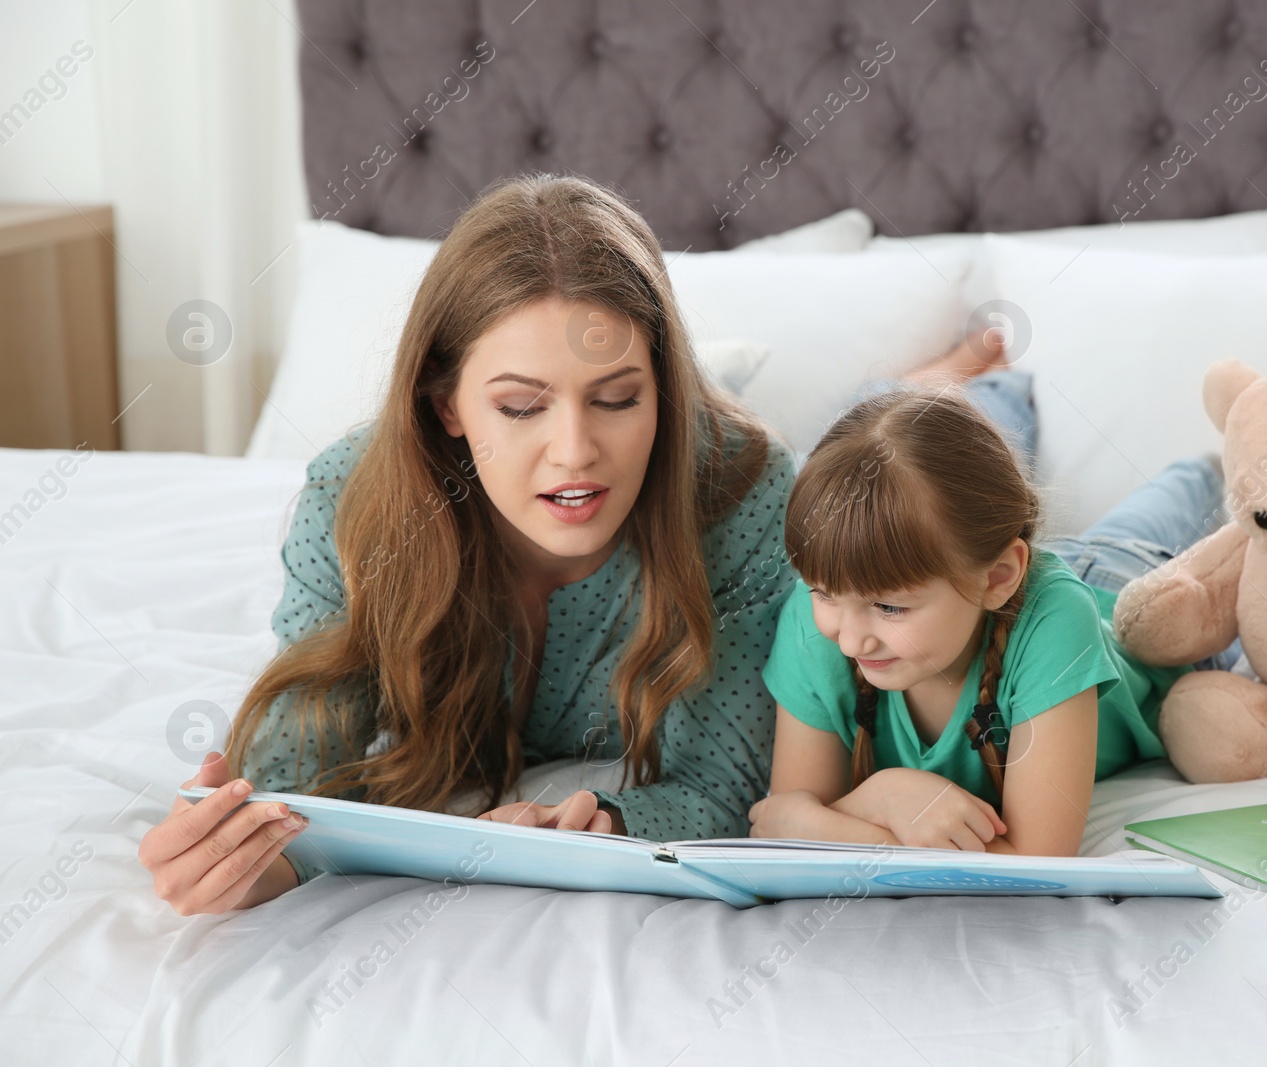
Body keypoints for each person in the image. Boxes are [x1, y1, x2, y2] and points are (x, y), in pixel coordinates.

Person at [139, 174, 803, 915]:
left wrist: (605, 825)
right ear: (445, 403)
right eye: (521, 406)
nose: (575, 451)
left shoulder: (745, 490)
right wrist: (252, 854)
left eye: (618, 398)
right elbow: (295, 772)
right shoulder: (350, 499)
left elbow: (726, 784)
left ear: (664, 391)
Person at [750, 385, 1236, 856]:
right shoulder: (813, 619)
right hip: (1011, 570)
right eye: (824, 593)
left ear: (999, 577)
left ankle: (1212, 462)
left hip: (1127, 590)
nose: (852, 641)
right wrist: (879, 797)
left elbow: (1039, 855)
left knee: (1192, 491)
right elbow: (786, 830)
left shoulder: (1057, 619)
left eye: (890, 607)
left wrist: (839, 818)